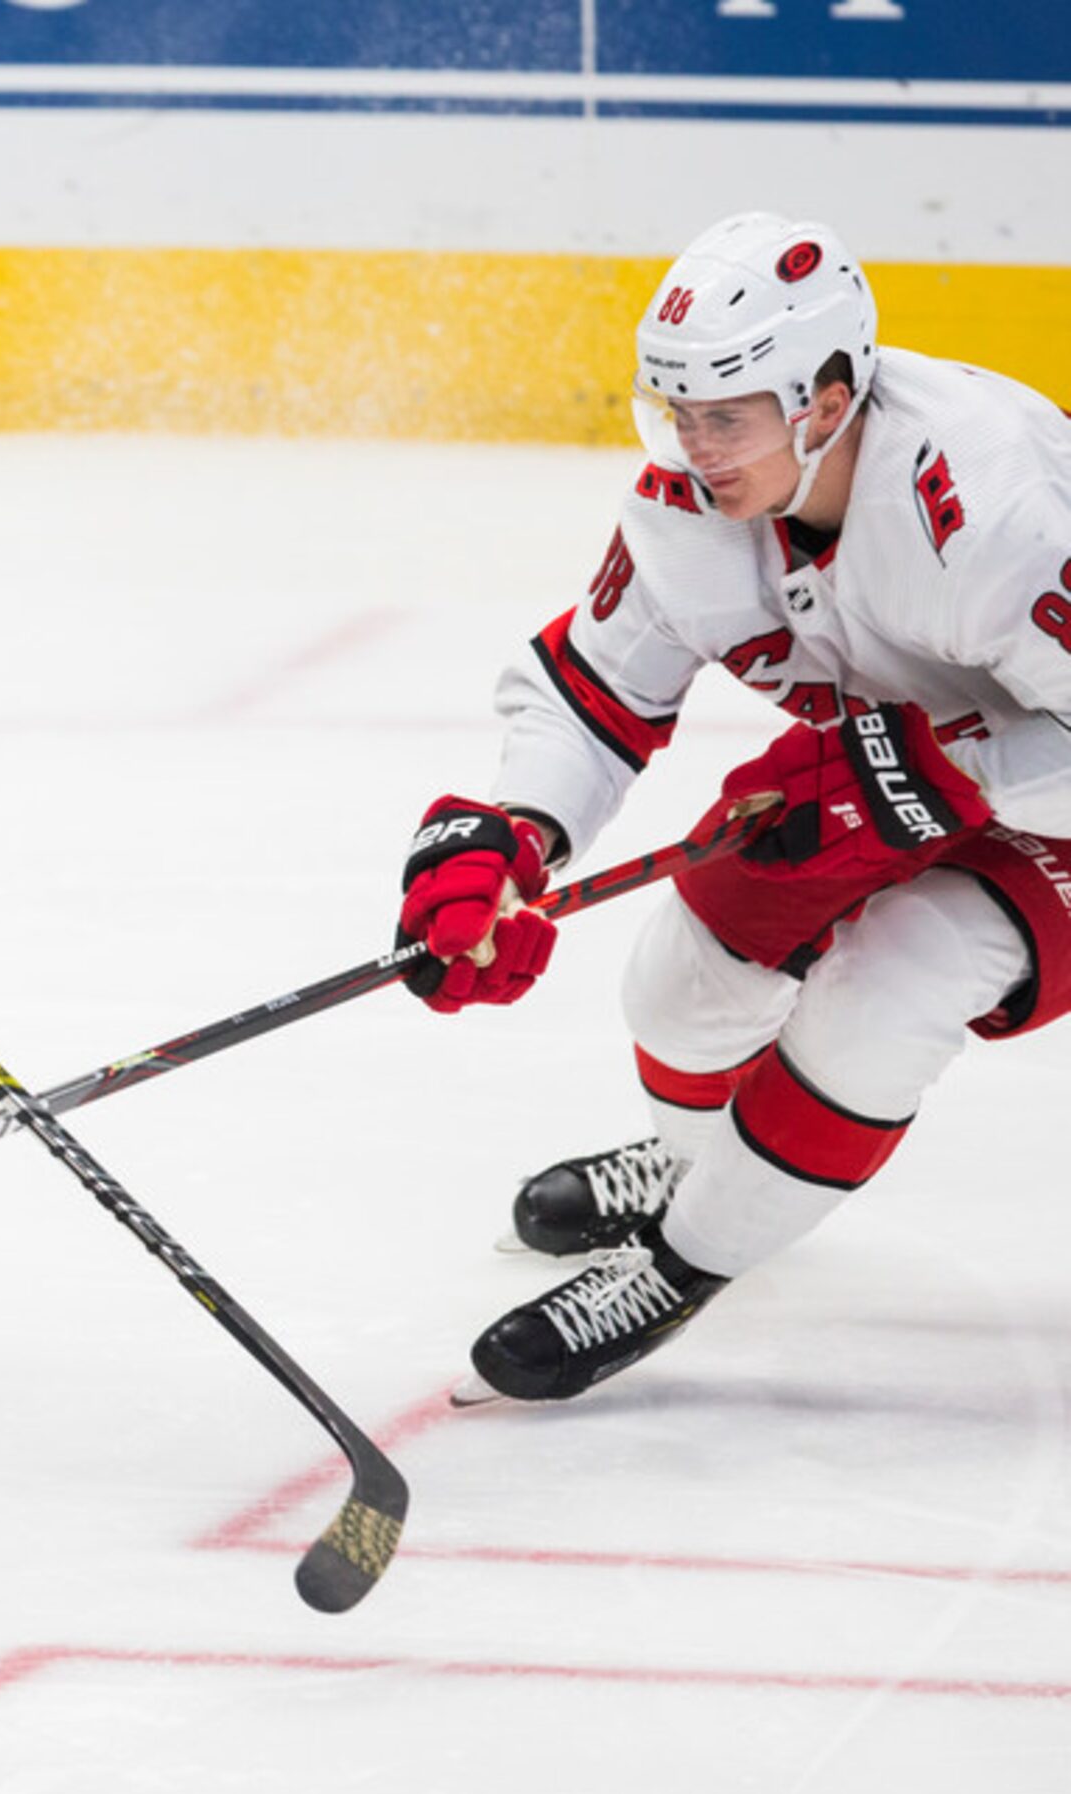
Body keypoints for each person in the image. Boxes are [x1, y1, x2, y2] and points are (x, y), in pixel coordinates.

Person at [396, 209, 1071, 1402]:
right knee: (679, 977)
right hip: (918, 767)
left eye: (728, 414)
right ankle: (691, 1166)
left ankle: (678, 1264)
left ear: (823, 398)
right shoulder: (692, 505)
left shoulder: (994, 501)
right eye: (679, 411)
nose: (696, 448)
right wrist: (511, 838)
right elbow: (593, 692)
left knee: (899, 978)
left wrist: (939, 774)